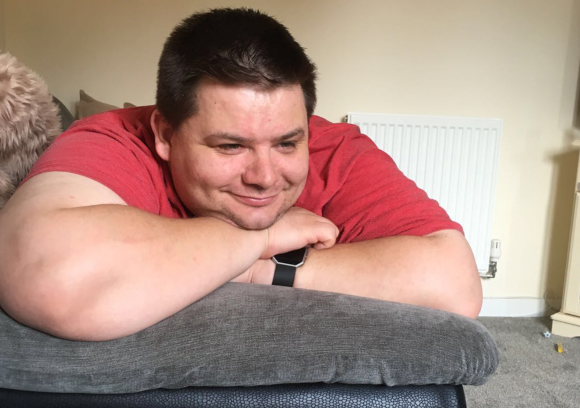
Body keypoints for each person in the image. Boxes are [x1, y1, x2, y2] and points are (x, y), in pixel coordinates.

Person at [0, 8, 482, 342]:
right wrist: (260, 238)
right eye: (230, 146)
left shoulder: (336, 147)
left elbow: (454, 285)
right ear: (165, 134)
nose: (265, 177)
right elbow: (46, 274)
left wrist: (258, 266)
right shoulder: (112, 139)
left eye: (287, 143)